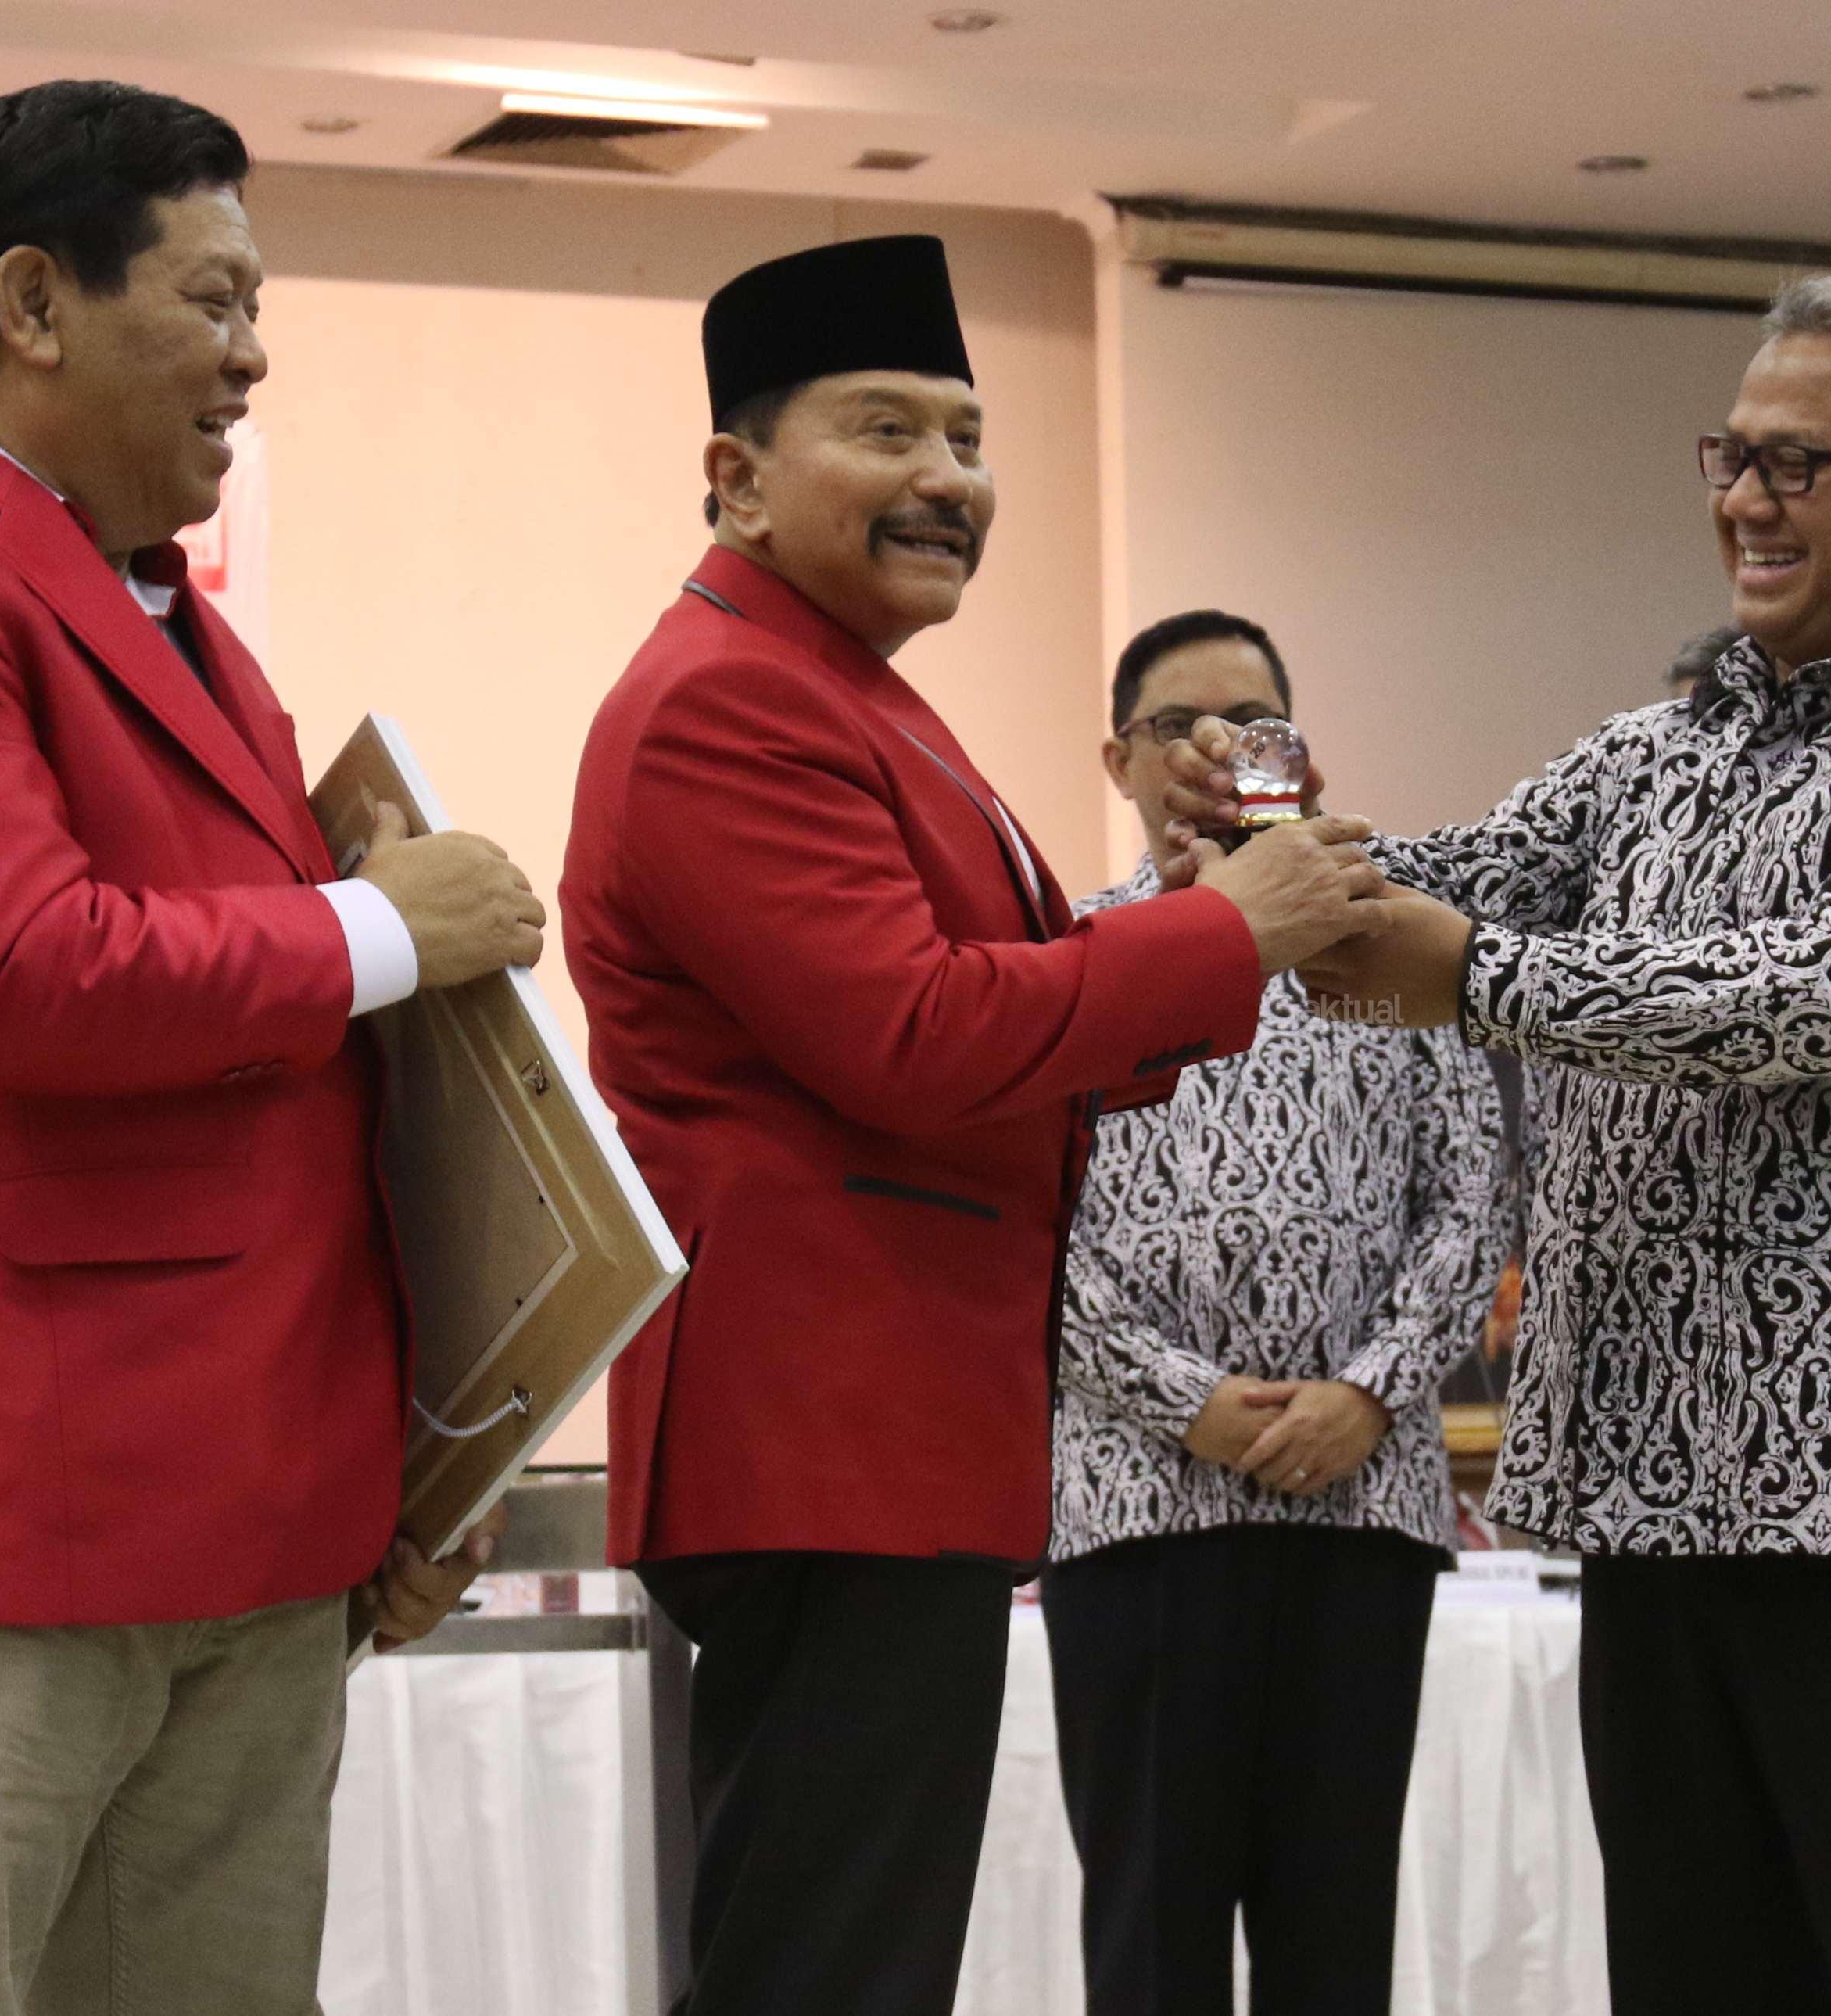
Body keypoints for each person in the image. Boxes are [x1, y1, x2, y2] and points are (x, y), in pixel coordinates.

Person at [1169, 261, 1831, 2014]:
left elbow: (1816, 996)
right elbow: (1454, 882)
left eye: (1798, 463)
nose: (1746, 498)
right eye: (1733, 453)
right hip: (1660, 1476)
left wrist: (1469, 970)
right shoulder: (1662, 748)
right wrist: (1271, 859)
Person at [0, 81, 531, 2014]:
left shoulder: (184, 627)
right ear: (33, 303)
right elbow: (32, 969)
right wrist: (387, 927)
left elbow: (290, 1107)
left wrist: (411, 1451)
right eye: (214, 299)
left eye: (259, 310)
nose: (253, 356)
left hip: (264, 1514)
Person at [561, 238, 1393, 2016]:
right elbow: (915, 1035)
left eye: (969, 436)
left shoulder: (839, 682)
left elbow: (976, 1016)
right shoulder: (729, 698)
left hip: (885, 1422)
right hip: (823, 1418)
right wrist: (1224, 932)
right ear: (738, 476)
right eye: (889, 430)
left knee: (848, 1952)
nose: (950, 478)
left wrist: (1204, 907)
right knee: (828, 1964)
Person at [1041, 607, 1514, 2016]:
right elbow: (1029, 1226)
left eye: (1251, 725)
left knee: (1334, 1935)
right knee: (1153, 1937)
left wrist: (1369, 1389)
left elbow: (1474, 1194)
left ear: (1297, 758)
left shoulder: (1389, 945)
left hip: (1359, 1507)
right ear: (1119, 760)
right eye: (1176, 725)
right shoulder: (1069, 953)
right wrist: (1181, 1397)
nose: (1214, 750)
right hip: (1138, 1507)